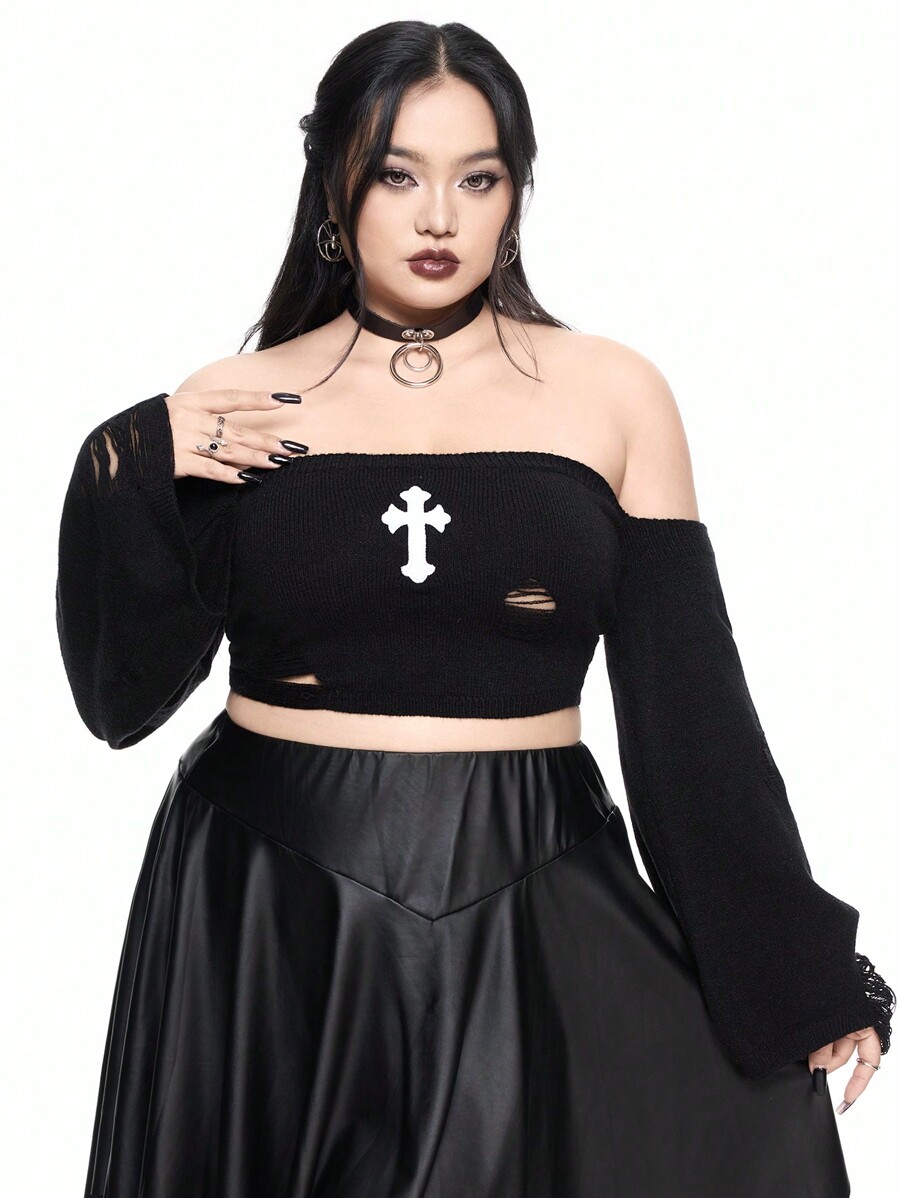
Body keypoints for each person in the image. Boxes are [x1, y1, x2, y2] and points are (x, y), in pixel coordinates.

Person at [56, 20, 893, 1198]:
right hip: (266, 899)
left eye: (479, 177)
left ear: (516, 195)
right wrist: (132, 465)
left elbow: (690, 712)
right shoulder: (236, 402)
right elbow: (121, 697)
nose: (440, 216)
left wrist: (796, 976)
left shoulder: (613, 395)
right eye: (399, 175)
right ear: (336, 190)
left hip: (532, 889)